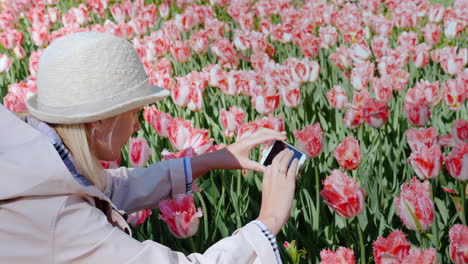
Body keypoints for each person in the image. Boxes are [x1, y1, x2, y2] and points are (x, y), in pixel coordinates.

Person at [0, 31, 299, 263]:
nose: (138, 126)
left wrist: (213, 159)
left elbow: (105, 187)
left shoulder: (30, 153)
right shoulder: (62, 219)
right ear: (100, 122)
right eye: (134, 113)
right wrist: (268, 219)